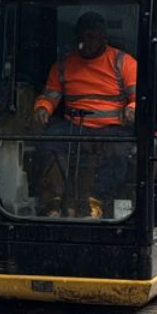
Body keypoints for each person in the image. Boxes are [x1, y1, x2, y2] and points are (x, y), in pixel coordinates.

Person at [33, 12, 137, 217]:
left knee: (119, 151)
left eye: (92, 37)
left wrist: (132, 108)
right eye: (83, 37)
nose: (86, 42)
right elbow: (50, 95)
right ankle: (54, 200)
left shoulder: (123, 63)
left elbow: (139, 97)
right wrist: (43, 108)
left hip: (111, 129)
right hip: (75, 126)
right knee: (49, 141)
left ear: (103, 38)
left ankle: (96, 201)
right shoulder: (62, 65)